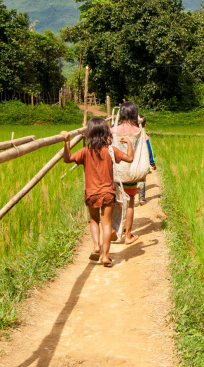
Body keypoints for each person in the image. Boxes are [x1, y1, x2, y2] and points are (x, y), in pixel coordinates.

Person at [62, 118, 133, 267]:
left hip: (91, 193)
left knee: (94, 220)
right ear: (106, 134)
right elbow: (130, 158)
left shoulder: (85, 152)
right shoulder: (111, 150)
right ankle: (106, 257)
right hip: (108, 193)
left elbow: (67, 159)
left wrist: (67, 141)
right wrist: (129, 143)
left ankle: (96, 246)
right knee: (106, 224)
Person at [111, 101, 142, 244]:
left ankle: (112, 229)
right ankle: (128, 235)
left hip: (115, 172)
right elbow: (145, 143)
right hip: (131, 174)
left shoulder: (113, 131)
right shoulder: (138, 131)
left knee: (115, 202)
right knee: (130, 203)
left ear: (121, 113)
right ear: (134, 114)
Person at [137, 114, 157, 205]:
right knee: (141, 178)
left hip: (130, 160)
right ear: (144, 124)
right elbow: (149, 151)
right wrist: (152, 163)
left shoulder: (129, 133)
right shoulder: (144, 135)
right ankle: (141, 198)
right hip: (141, 161)